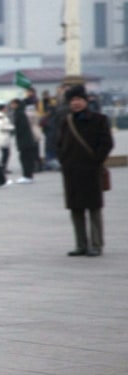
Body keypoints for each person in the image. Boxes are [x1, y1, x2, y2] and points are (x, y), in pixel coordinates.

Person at [56, 84, 114, 257]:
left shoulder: (99, 119)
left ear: (86, 100)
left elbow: (107, 143)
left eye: (79, 99)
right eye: (72, 100)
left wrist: (96, 160)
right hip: (71, 171)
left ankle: (96, 244)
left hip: (91, 170)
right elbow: (59, 144)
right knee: (76, 209)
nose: (76, 103)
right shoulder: (66, 121)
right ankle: (81, 244)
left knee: (94, 208)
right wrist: (64, 161)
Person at [10, 98, 37, 184]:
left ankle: (27, 176)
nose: (12, 106)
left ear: (17, 104)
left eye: (13, 104)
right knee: (25, 158)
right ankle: (28, 175)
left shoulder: (19, 113)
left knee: (25, 158)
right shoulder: (20, 113)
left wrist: (14, 131)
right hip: (25, 139)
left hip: (24, 140)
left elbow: (20, 128)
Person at [0, 104, 14, 173]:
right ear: (2, 109)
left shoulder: (2, 115)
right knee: (6, 153)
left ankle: (3, 167)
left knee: (6, 153)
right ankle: (2, 167)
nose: (6, 109)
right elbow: (1, 126)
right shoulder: (0, 115)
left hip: (4, 136)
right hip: (2, 136)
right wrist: (11, 127)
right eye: (5, 108)